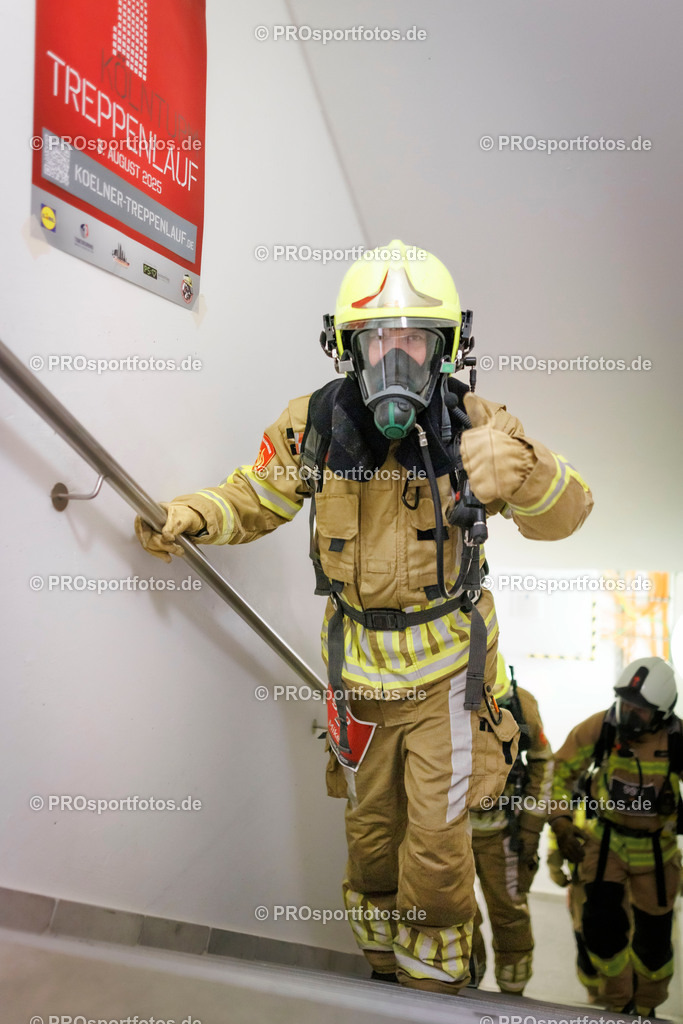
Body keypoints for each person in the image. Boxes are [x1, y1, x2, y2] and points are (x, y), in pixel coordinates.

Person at [135, 239, 593, 994]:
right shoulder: (315, 422)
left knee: (438, 853)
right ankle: (383, 978)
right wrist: (191, 513)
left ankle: (436, 991)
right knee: (370, 840)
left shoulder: (477, 422)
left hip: (447, 678)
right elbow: (255, 495)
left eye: (414, 339)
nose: (396, 358)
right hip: (354, 681)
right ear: (347, 346)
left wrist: (524, 466)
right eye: (379, 339)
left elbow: (568, 512)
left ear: (447, 348)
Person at [549, 657, 682, 1016]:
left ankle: (647, 1007)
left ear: (662, 713)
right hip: (606, 845)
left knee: (654, 943)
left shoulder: (676, 738)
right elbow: (558, 774)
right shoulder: (602, 728)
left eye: (640, 711)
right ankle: (618, 1002)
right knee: (600, 926)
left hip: (656, 851)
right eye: (626, 705)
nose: (628, 715)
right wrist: (561, 823)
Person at [469, 654, 554, 994]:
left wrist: (532, 828)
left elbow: (543, 763)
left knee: (510, 912)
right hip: (449, 831)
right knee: (454, 910)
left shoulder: (521, 704)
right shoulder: (441, 704)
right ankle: (463, 983)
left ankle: (513, 994)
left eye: (499, 703)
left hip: (502, 831)